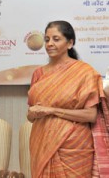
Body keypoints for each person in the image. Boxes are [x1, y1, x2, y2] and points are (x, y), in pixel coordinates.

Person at [27, 20, 109, 177]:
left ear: (70, 43)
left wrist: (52, 110)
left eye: (56, 39)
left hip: (74, 146)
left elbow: (91, 115)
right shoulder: (38, 74)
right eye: (47, 39)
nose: (50, 44)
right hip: (41, 143)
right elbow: (30, 115)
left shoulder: (84, 72)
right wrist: (34, 113)